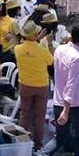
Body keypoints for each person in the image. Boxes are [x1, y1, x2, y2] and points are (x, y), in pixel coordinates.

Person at [24, 22, 79, 156]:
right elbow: (72, 85)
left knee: (59, 139)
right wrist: (66, 110)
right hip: (74, 104)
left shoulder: (60, 50)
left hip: (58, 99)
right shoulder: (77, 58)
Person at [14, 21, 53, 149]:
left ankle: (21, 142)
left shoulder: (18, 49)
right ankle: (38, 145)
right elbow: (51, 61)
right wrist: (49, 42)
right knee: (39, 116)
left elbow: (26, 45)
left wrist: (35, 39)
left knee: (24, 114)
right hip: (41, 85)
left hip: (25, 85)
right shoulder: (42, 50)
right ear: (35, 34)